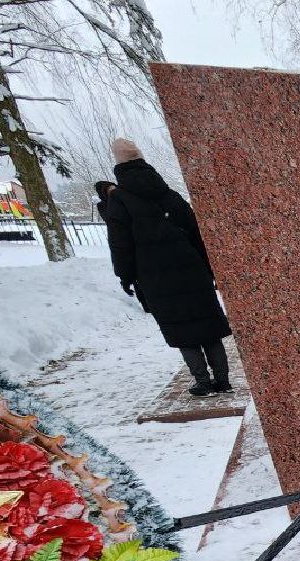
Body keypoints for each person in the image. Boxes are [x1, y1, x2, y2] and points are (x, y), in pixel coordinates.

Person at [96, 138, 233, 396]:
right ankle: (223, 381)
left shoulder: (121, 201)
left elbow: (120, 245)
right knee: (208, 327)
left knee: (182, 330)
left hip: (155, 276)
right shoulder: (170, 195)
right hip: (193, 271)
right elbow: (197, 233)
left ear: (119, 167)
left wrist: (125, 276)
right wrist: (209, 269)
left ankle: (203, 382)